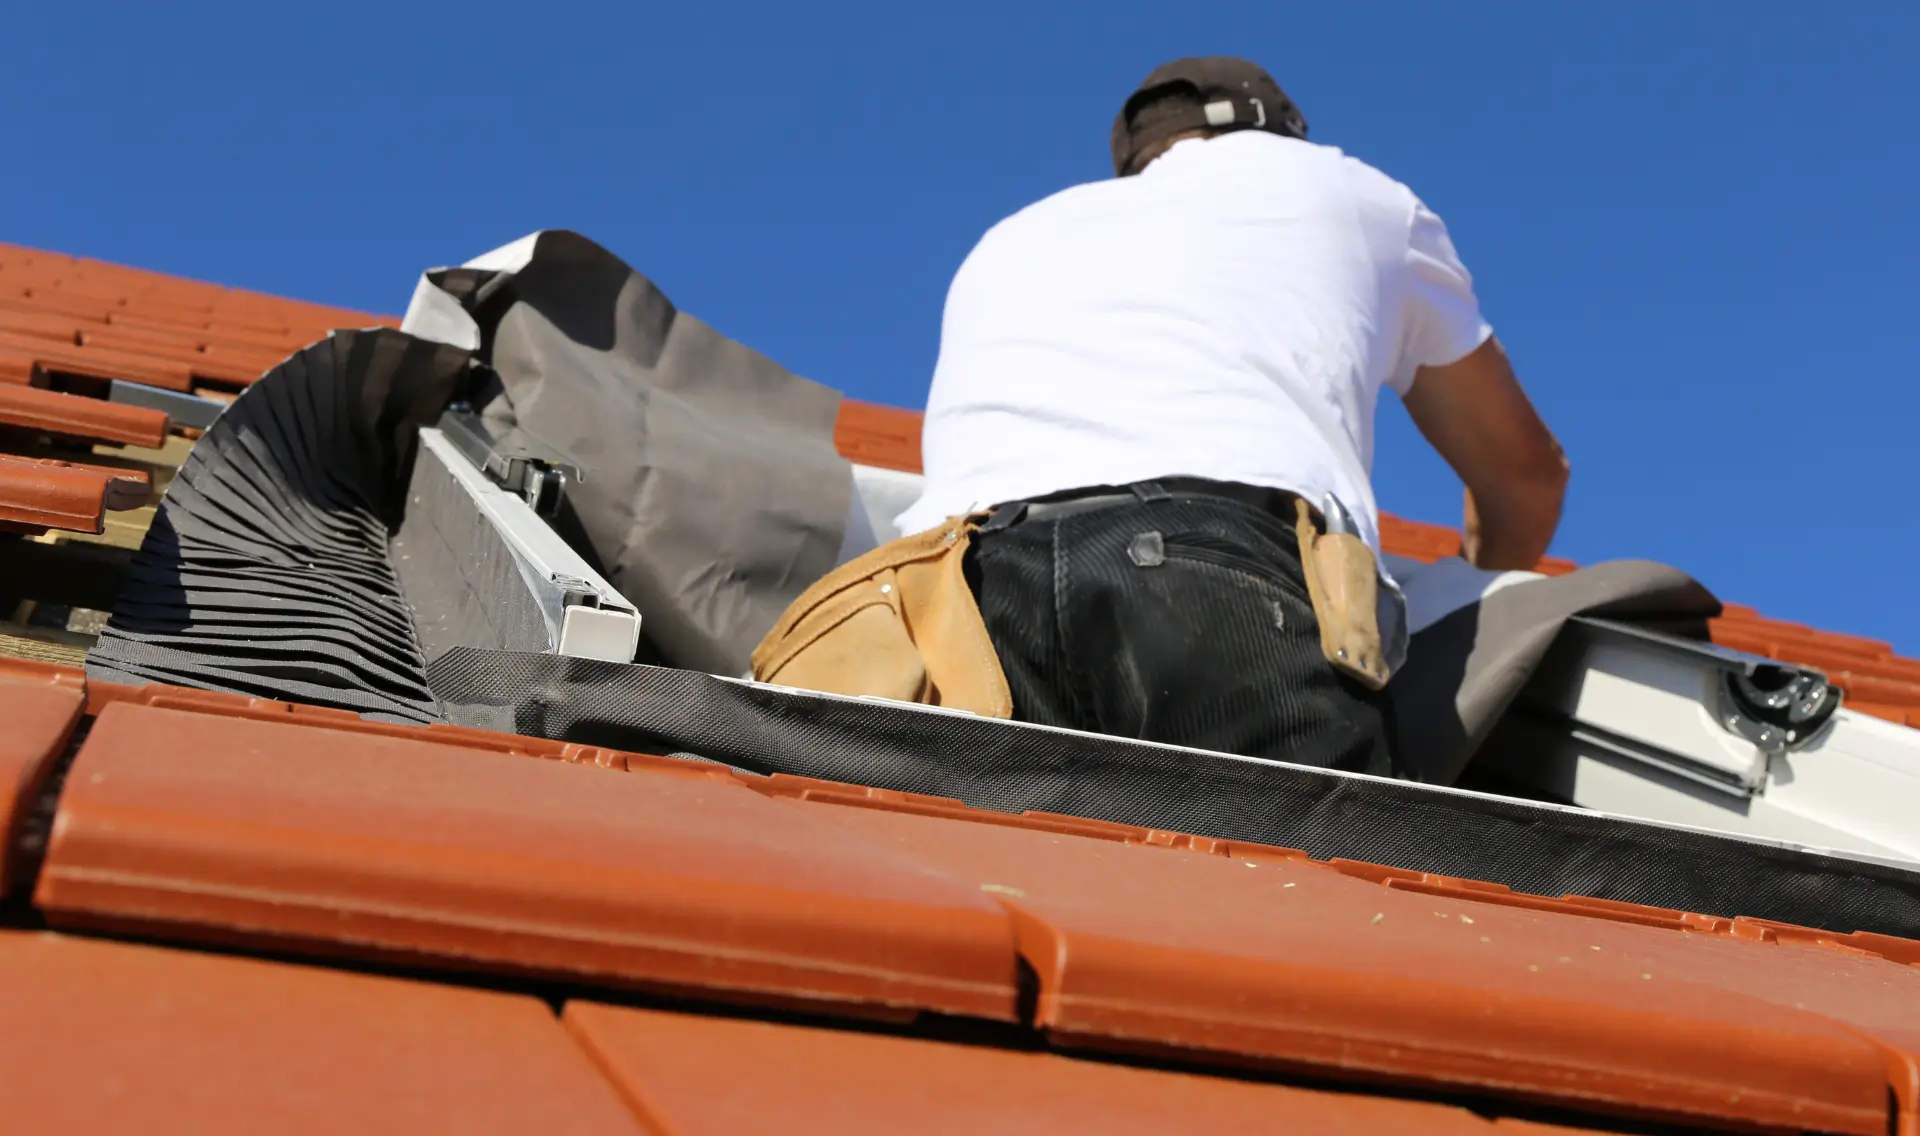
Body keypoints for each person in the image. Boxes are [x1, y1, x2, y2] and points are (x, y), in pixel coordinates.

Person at [893, 57, 1569, 776]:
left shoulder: (1010, 238)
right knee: (1292, 883)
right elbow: (1524, 477)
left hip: (954, 596)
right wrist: (1471, 600)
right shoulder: (1347, 193)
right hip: (1211, 569)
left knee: (1003, 880)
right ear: (1281, 133)